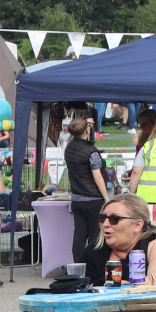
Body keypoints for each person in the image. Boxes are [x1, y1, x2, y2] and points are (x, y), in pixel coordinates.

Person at [63, 113, 109, 268]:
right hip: (93, 199)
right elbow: (98, 178)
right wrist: (107, 198)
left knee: (79, 234)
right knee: (95, 235)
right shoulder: (91, 152)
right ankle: (93, 266)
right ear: (87, 130)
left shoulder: (69, 148)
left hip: (77, 197)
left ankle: (78, 266)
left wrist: (84, 124)